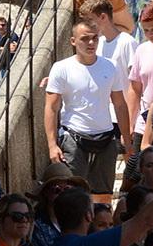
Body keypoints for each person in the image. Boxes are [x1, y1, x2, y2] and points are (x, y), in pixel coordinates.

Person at [45, 17, 135, 196]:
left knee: (103, 196)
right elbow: (51, 108)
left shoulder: (110, 66)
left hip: (105, 137)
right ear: (73, 41)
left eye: (94, 38)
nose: (91, 42)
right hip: (73, 137)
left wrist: (127, 138)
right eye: (85, 38)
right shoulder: (61, 68)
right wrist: (52, 145)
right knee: (73, 195)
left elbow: (120, 104)